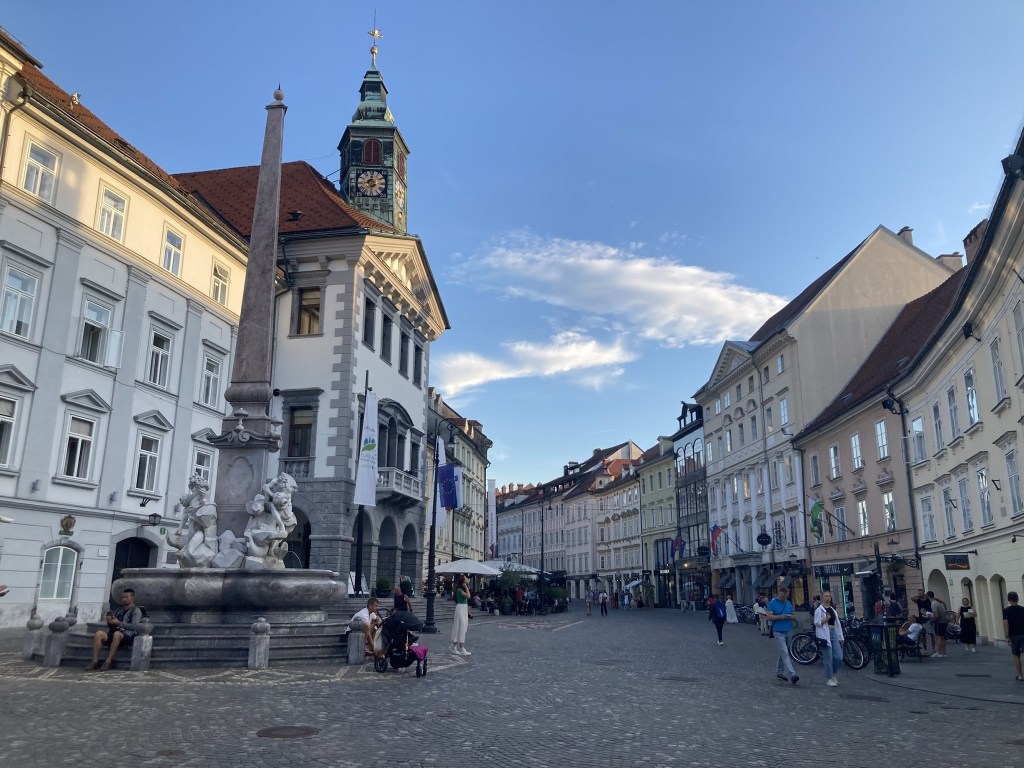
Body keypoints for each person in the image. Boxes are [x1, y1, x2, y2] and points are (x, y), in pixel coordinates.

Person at [86, 589, 143, 671]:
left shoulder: (136, 610)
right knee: (99, 634)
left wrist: (119, 623)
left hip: (127, 635)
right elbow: (112, 625)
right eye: (123, 597)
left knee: (117, 634)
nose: (124, 599)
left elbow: (135, 626)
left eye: (126, 597)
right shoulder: (119, 610)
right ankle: (95, 661)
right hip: (113, 633)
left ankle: (108, 661)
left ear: (132, 598)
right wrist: (110, 620)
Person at [766, 586, 799, 684]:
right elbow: (769, 617)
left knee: (783, 652)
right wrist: (781, 617)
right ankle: (792, 674)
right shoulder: (772, 603)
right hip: (778, 631)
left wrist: (790, 616)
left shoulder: (788, 603)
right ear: (779, 593)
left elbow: (794, 616)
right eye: (783, 596)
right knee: (784, 652)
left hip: (789, 630)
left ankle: (779, 672)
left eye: (786, 596)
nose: (784, 598)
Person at [814, 591, 845, 687]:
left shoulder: (832, 609)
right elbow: (817, 623)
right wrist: (826, 619)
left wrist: (840, 637)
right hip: (824, 634)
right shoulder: (819, 610)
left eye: (829, 596)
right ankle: (829, 678)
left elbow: (837, 624)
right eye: (826, 596)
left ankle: (833, 673)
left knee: (839, 656)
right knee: (828, 658)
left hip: (833, 632)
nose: (828, 598)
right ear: (822, 598)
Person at [1003, 591, 1024, 682]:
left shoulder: (1006, 611)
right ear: (1017, 599)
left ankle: (1020, 676)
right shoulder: (1023, 609)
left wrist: (1007, 636)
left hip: (1013, 635)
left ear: (1009, 600)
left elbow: (1006, 623)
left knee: (1016, 655)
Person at [451, 574, 472, 656]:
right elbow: (468, 596)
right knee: (461, 626)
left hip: (463, 608)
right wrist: (466, 587)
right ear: (463, 580)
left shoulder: (461, 589)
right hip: (460, 608)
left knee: (463, 626)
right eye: (466, 578)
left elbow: (466, 601)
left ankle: (455, 646)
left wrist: (468, 612)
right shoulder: (459, 589)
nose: (467, 579)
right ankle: (461, 647)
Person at [929, 591, 948, 657]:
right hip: (944, 622)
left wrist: (931, 619)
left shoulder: (933, 604)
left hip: (938, 623)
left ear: (928, 597)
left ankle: (938, 652)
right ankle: (944, 653)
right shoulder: (938, 603)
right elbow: (945, 606)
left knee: (938, 637)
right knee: (943, 637)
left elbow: (936, 616)